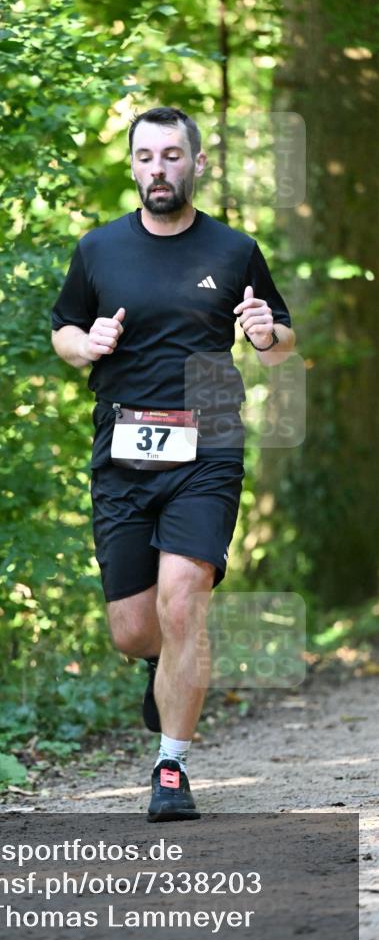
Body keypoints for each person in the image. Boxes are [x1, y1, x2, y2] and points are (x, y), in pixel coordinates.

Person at [50, 106, 296, 822]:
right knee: (134, 630)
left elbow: (280, 343)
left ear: (197, 163)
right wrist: (87, 344)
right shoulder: (98, 249)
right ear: (132, 166)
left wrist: (265, 334)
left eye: (171, 155)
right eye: (145, 157)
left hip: (208, 437)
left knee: (183, 600)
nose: (158, 169)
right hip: (122, 444)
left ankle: (170, 766)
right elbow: (64, 330)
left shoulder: (233, 249)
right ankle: (164, 665)